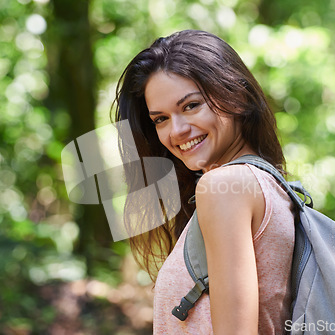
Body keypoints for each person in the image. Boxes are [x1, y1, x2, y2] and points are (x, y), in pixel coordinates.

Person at [114, 30, 295, 334]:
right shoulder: (265, 183)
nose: (177, 130)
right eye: (160, 119)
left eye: (190, 106)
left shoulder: (223, 187)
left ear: (235, 96)